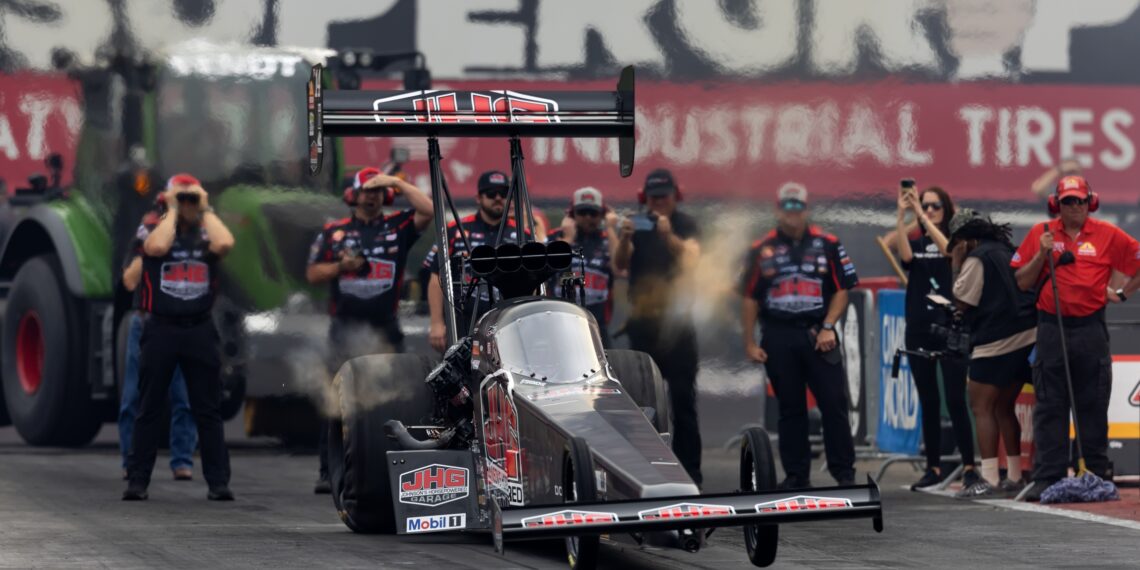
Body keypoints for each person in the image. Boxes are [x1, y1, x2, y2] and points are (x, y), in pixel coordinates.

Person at [1012, 175, 1140, 501]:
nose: (1075, 207)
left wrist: (1123, 294)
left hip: (1090, 330)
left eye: (1080, 201)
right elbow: (1022, 282)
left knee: (1093, 403)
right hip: (1052, 330)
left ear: (1090, 203)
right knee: (1050, 405)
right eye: (1068, 202)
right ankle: (1048, 476)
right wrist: (1041, 256)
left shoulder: (1108, 235)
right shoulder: (1040, 234)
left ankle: (1094, 473)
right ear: (1057, 204)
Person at [305, 167, 433, 493]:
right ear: (355, 195)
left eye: (378, 191)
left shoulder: (398, 225)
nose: (372, 196)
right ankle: (327, 469)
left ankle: (396, 466)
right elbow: (313, 274)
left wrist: (396, 182)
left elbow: (429, 211)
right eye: (367, 190)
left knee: (398, 397)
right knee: (336, 397)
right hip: (345, 328)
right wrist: (341, 267)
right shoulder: (335, 232)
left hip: (385, 327)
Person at [123, 174, 236, 501]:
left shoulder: (207, 232)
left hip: (199, 328)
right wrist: (171, 210)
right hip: (162, 328)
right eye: (181, 198)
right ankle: (138, 480)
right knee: (149, 406)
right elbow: (155, 247)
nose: (186, 204)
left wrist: (205, 208)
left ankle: (218, 482)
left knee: (207, 409)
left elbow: (225, 244)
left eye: (191, 199)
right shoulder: (153, 229)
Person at [740, 182, 858, 488]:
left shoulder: (827, 243)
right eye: (787, 206)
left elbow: (843, 290)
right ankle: (796, 476)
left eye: (798, 206)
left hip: (819, 333)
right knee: (790, 408)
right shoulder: (761, 249)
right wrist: (750, 342)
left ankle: (844, 474)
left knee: (833, 403)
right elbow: (750, 297)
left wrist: (829, 326)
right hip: (778, 336)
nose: (793, 212)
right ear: (778, 209)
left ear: (806, 209)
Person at [881, 184, 976, 491]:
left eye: (936, 206)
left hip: (950, 326)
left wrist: (922, 214)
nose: (931, 211)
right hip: (919, 326)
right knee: (929, 400)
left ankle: (970, 466)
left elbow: (949, 250)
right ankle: (932, 466)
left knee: (955, 398)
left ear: (946, 210)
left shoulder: (956, 241)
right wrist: (902, 212)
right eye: (927, 205)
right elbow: (899, 250)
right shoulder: (919, 241)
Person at [615, 168, 703, 486]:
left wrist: (668, 237)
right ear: (645, 198)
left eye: (664, 196)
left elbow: (694, 260)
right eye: (654, 198)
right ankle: (645, 472)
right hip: (643, 323)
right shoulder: (636, 224)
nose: (659, 202)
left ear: (674, 196)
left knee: (683, 400)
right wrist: (624, 236)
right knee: (641, 402)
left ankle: (691, 473)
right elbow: (619, 264)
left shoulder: (685, 224)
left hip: (677, 323)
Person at [947, 209, 1037, 498]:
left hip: (996, 339)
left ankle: (989, 480)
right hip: (1028, 334)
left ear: (965, 239)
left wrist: (958, 264)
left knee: (981, 406)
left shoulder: (977, 257)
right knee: (1003, 406)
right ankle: (1014, 475)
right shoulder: (1006, 249)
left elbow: (961, 301)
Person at [119, 195, 197, 482]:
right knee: (133, 397)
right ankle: (130, 459)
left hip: (182, 322)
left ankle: (182, 459)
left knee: (184, 398)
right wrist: (154, 244)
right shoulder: (147, 230)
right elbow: (129, 279)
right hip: (147, 321)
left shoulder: (197, 236)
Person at [425, 170, 529, 353]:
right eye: (490, 193)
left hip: (508, 322)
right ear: (478, 198)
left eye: (503, 194)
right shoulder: (455, 229)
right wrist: (436, 322)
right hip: (463, 321)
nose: (498, 198)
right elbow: (436, 277)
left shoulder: (522, 234)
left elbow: (534, 282)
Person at [547, 187, 620, 347]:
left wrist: (611, 229)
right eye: (582, 212)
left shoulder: (609, 239)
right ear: (572, 215)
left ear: (602, 215)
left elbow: (619, 268)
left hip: (597, 325)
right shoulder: (556, 237)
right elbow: (543, 269)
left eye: (593, 213)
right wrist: (568, 239)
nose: (588, 218)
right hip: (559, 322)